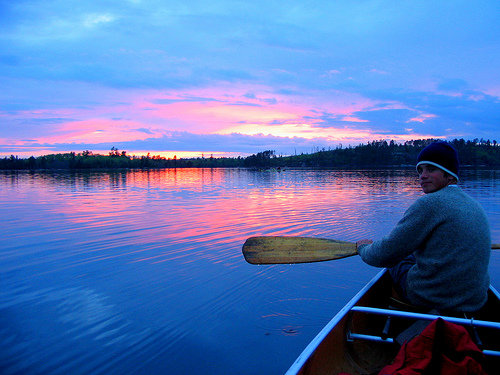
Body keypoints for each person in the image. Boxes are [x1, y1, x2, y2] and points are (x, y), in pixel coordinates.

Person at [357, 141, 491, 313]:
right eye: (420, 170)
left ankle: (397, 316)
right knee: (413, 254)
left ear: (449, 175)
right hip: (476, 299)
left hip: (435, 298)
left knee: (397, 261)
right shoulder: (473, 204)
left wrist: (364, 249)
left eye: (431, 169)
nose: (422, 175)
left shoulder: (430, 203)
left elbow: (385, 254)